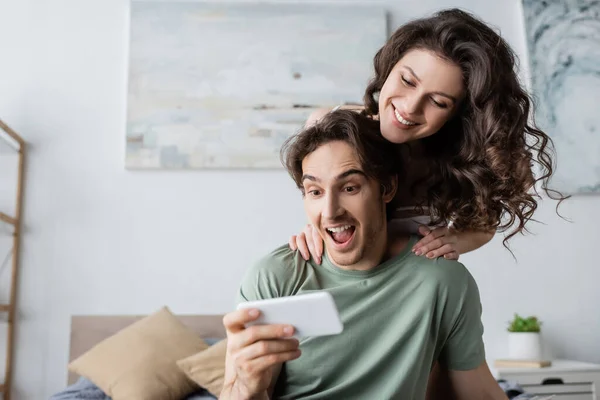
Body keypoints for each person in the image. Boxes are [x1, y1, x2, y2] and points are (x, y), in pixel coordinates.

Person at [219, 110, 508, 400]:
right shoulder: (275, 277)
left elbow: (478, 391)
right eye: (315, 191)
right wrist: (242, 386)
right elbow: (244, 392)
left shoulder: (441, 282)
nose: (331, 212)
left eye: (349, 187)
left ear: (387, 187)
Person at [289, 8, 565, 264]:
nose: (410, 107)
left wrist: (458, 239)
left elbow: (483, 227)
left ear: (461, 114)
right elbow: (321, 203)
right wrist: (317, 230)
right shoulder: (328, 125)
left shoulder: (473, 158)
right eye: (407, 81)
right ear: (390, 67)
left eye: (439, 102)